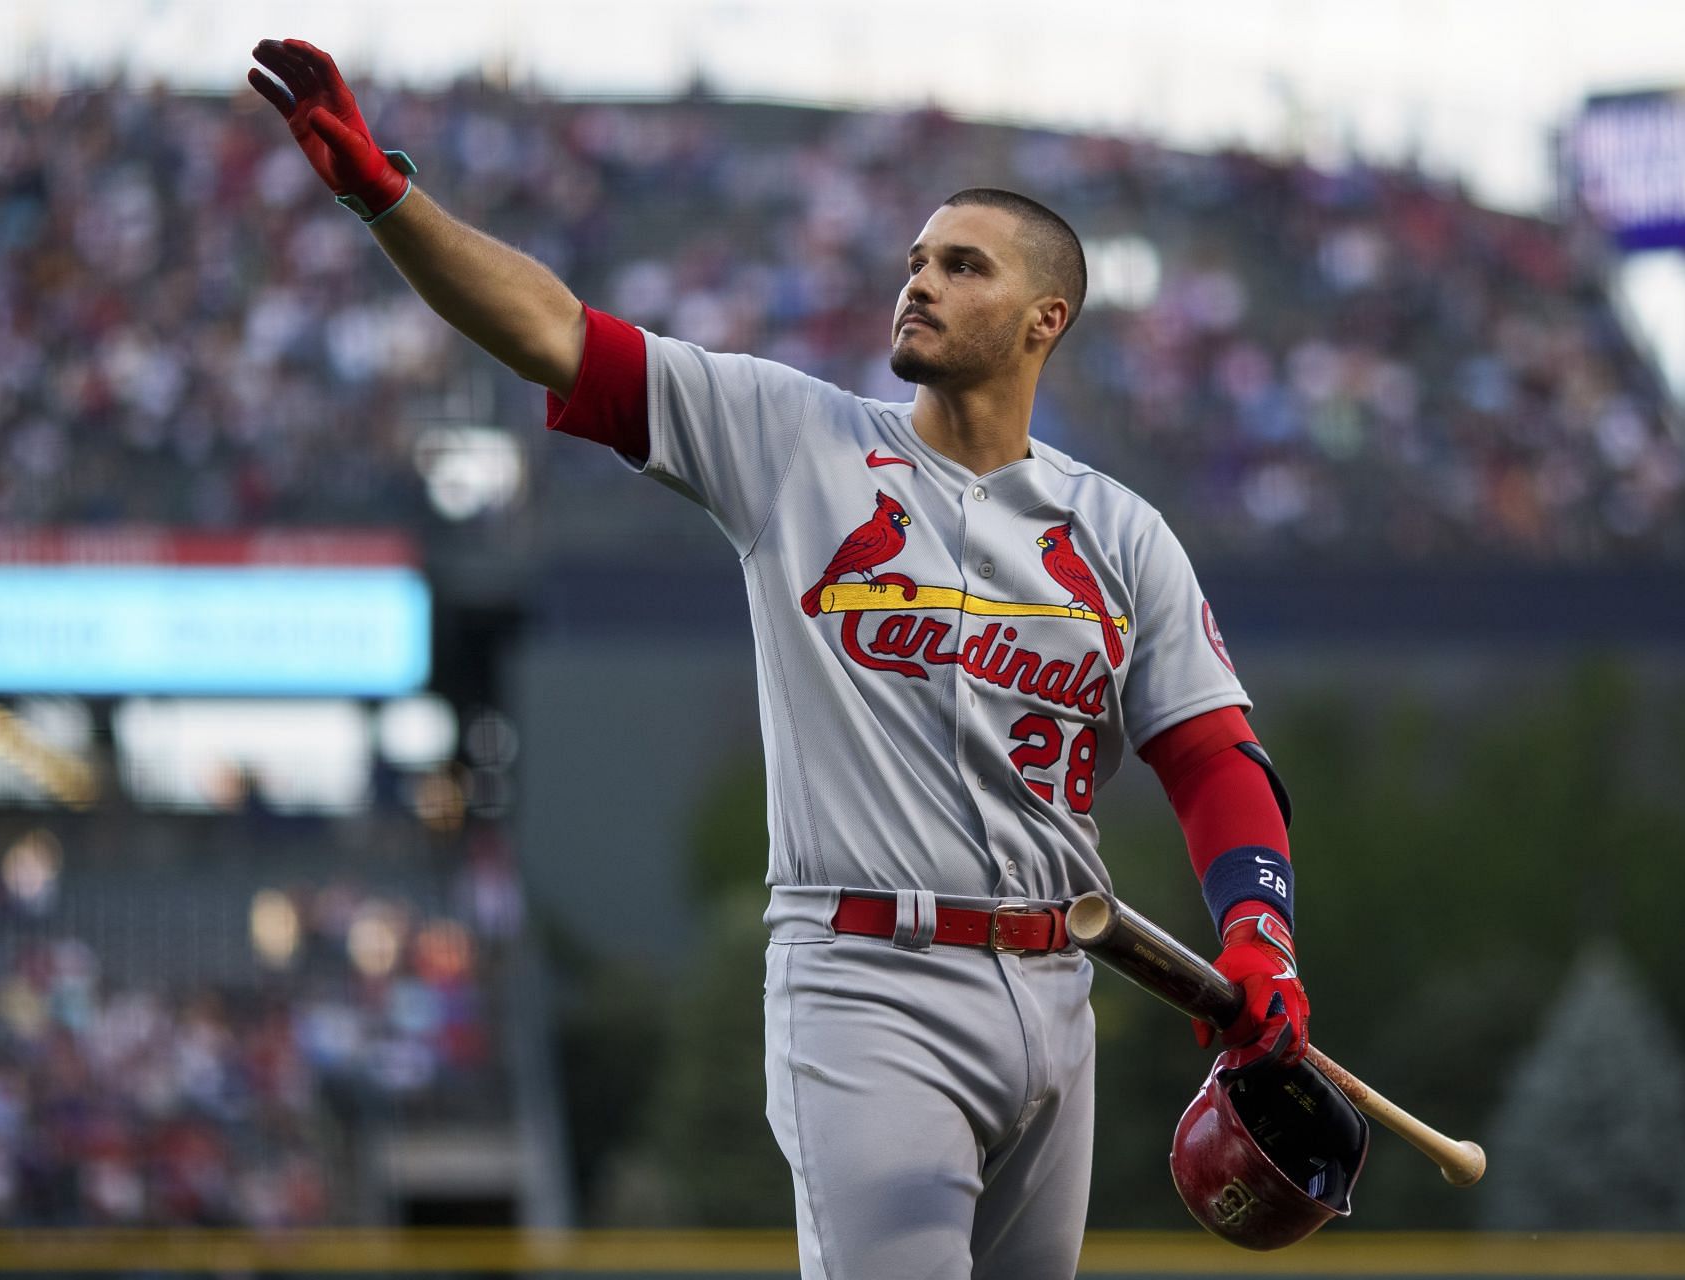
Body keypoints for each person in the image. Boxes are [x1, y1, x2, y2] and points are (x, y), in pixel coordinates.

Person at [249, 38, 1311, 1278]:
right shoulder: (793, 439)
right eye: (914, 260)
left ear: (1044, 318)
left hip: (1058, 986)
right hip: (868, 979)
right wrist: (387, 196)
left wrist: (1260, 935)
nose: (918, 282)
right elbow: (552, 332)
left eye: (962, 266)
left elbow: (1213, 755)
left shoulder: (1120, 529)